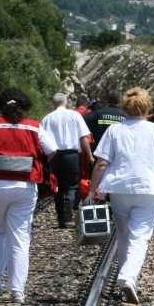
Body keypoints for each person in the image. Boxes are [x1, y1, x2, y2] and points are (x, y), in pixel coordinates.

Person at [82, 87, 154, 305]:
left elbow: (101, 164)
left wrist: (92, 192)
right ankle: (128, 277)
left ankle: (129, 277)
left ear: (125, 107)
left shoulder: (115, 131)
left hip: (119, 189)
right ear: (147, 107)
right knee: (140, 236)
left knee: (125, 234)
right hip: (148, 191)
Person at [0, 87, 57, 303]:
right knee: (20, 236)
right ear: (25, 106)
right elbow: (52, 150)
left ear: (0, 105)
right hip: (25, 186)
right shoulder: (34, 127)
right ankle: (17, 290)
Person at [40, 93, 93, 228]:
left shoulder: (47, 118)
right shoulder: (75, 115)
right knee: (72, 184)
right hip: (71, 156)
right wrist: (89, 155)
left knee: (56, 187)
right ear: (66, 102)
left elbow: (42, 142)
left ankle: (61, 221)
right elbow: (83, 138)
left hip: (54, 156)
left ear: (53, 103)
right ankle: (69, 200)